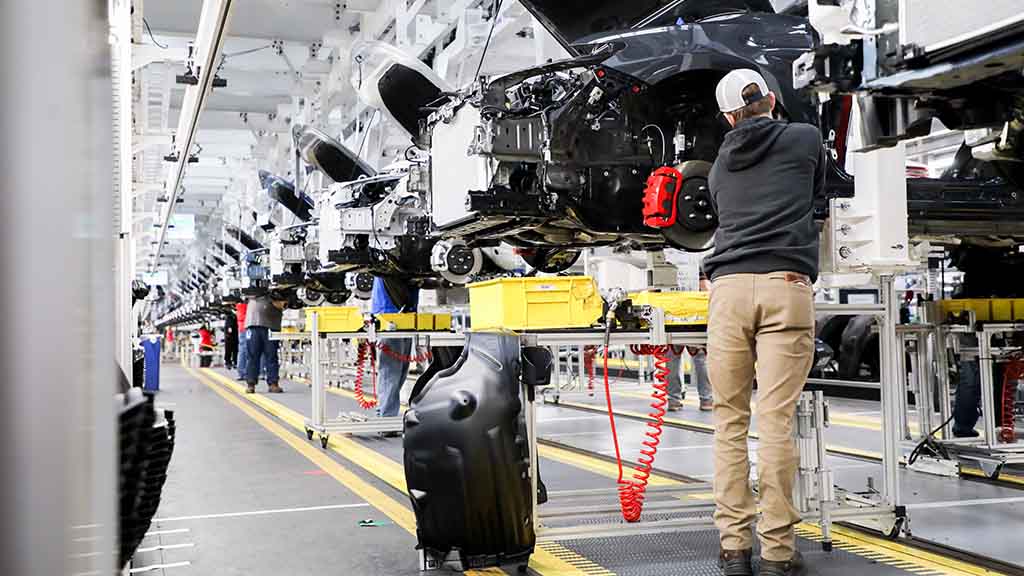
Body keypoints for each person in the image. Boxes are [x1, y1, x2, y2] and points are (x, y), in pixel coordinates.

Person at [704, 69, 824, 576]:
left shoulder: (716, 169)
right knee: (775, 421)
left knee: (729, 421)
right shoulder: (805, 139)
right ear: (772, 99)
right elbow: (817, 194)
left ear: (727, 117)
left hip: (728, 291)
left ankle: (735, 549)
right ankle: (778, 552)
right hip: (785, 288)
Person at [669, 265, 714, 412]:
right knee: (700, 358)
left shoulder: (666, 262)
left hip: (671, 316)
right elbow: (706, 288)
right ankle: (706, 400)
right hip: (695, 318)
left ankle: (674, 400)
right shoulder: (696, 262)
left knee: (672, 358)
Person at [372, 277, 419, 419]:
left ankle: (384, 413)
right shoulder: (392, 265)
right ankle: (386, 418)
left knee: (400, 371)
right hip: (390, 317)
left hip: (406, 317)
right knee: (391, 371)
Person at [244, 294, 286, 394]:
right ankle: (251, 383)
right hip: (253, 323)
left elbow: (283, 304)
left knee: (271, 355)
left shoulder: (279, 290)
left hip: (271, 325)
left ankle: (273, 383)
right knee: (252, 355)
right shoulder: (252, 287)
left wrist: (277, 299)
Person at [236, 302, 249, 380]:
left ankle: (242, 372)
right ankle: (243, 372)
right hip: (246, 326)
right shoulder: (245, 304)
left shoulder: (239, 304)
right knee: (245, 350)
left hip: (242, 327)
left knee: (242, 349)